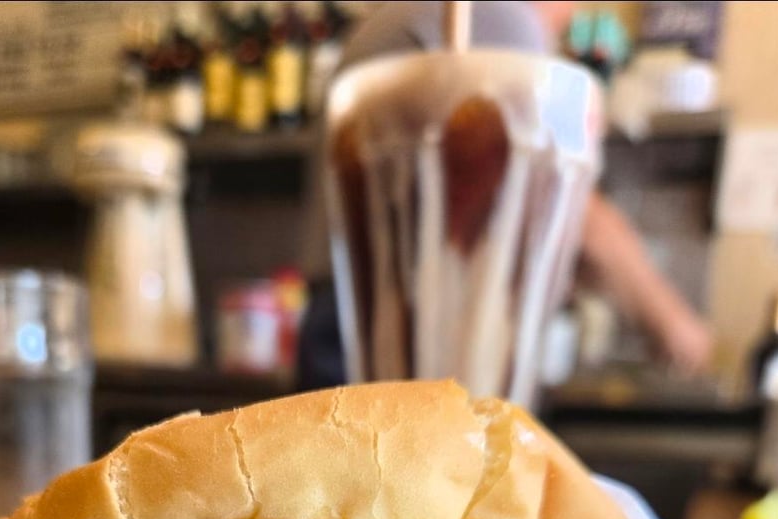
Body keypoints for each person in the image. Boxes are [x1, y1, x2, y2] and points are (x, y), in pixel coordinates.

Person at [298, 0, 713, 389]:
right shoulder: (499, 15)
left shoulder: (397, 20)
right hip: (409, 328)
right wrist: (674, 323)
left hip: (345, 316)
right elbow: (574, 217)